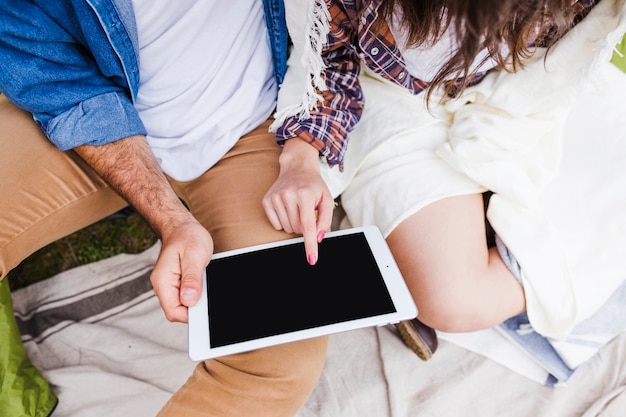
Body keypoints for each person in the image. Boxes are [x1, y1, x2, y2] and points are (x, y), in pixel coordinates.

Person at [0, 1, 329, 416]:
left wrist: (305, 145)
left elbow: (341, 29)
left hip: (248, 126)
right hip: (96, 117)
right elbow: (57, 82)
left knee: (279, 357)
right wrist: (169, 217)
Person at [262, 0, 612, 361]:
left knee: (608, 195)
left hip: (534, 87)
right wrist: (301, 157)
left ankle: (461, 236)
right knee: (454, 301)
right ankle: (451, 246)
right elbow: (329, 58)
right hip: (392, 98)